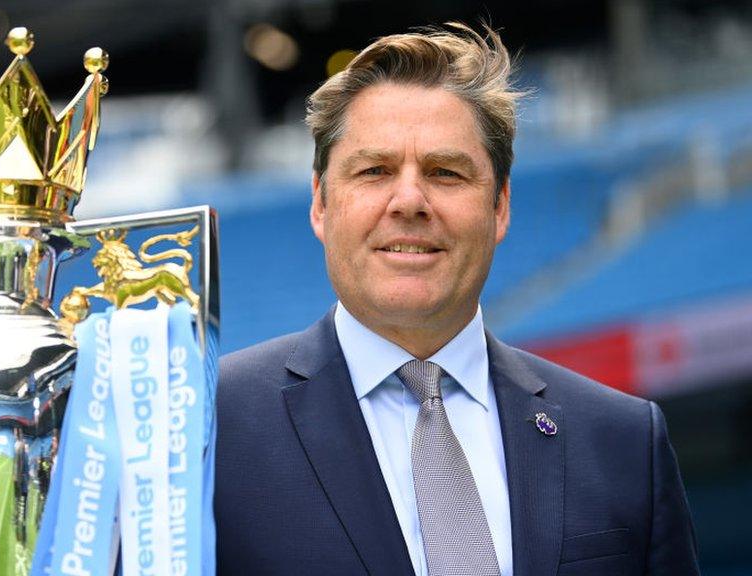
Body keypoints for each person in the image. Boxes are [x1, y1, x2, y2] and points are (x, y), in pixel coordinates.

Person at [214, 23, 700, 576]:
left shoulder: (624, 441)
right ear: (321, 204)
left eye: (446, 173)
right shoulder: (211, 430)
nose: (410, 201)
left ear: (500, 207)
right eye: (374, 171)